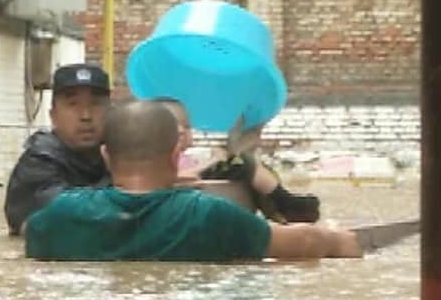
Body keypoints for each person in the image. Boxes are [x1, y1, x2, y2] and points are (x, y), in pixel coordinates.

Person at [25, 100, 361, 262]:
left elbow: (30, 232)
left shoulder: (62, 216)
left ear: (106, 157)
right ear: (176, 155)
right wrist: (337, 240)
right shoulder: (208, 215)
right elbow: (302, 243)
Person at [157, 98, 320, 223]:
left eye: (189, 127)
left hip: (207, 185)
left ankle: (282, 209)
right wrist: (213, 161)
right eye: (185, 128)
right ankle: (284, 203)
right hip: (199, 188)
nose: (188, 133)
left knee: (250, 166)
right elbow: (179, 177)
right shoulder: (162, 158)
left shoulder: (183, 155)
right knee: (242, 161)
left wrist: (215, 156)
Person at [4, 64, 112, 235]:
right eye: (73, 104)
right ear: (53, 116)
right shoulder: (39, 161)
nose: (86, 116)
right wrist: (115, 177)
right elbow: (65, 217)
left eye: (95, 104)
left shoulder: (123, 153)